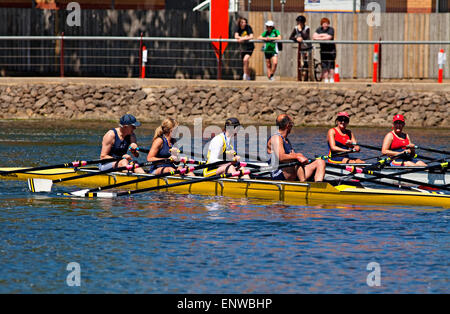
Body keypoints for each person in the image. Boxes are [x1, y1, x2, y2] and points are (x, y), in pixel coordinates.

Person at [267, 114, 326, 182]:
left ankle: (318, 186)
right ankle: (303, 184)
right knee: (297, 158)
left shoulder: (286, 140)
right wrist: (298, 156)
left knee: (320, 162)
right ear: (288, 125)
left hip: (291, 171)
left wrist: (304, 160)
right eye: (292, 123)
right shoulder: (276, 138)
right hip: (279, 174)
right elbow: (281, 157)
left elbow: (293, 155)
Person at [312, 17, 336, 83]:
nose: (325, 25)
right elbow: (314, 36)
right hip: (323, 49)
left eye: (326, 23)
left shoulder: (331, 29)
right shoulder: (319, 29)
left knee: (331, 65)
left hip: (331, 50)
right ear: (321, 24)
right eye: (324, 23)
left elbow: (329, 37)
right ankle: (325, 79)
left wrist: (319, 37)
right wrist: (324, 35)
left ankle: (331, 78)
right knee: (324, 64)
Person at [289, 15, 312, 81]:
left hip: (307, 47)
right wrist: (296, 39)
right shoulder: (295, 28)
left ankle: (308, 77)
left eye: (300, 22)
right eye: (298, 22)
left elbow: (305, 37)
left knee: (307, 63)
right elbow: (291, 37)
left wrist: (300, 30)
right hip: (301, 48)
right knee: (301, 63)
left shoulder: (307, 28)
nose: (299, 24)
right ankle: (300, 77)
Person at [234, 17, 254, 81]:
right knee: (245, 62)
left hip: (249, 47)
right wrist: (243, 37)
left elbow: (251, 36)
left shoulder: (248, 27)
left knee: (245, 60)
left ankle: (245, 75)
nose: (244, 23)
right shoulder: (238, 28)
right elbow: (236, 36)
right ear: (240, 23)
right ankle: (248, 76)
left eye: (245, 22)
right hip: (243, 48)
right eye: (242, 22)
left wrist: (242, 39)